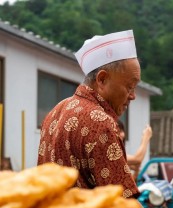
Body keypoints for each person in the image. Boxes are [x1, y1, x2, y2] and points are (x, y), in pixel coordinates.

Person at [38, 30, 141, 198]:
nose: (133, 96)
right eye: (130, 87)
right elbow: (123, 203)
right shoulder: (100, 121)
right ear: (101, 80)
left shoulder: (55, 111)